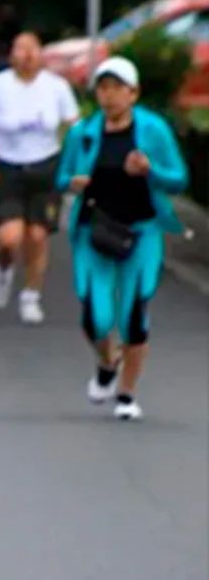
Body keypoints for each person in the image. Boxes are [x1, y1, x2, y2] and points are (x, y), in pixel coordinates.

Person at [56, 57, 191, 422]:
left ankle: (127, 394)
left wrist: (150, 170)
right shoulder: (83, 133)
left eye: (118, 88)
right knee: (96, 316)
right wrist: (73, 182)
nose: (110, 95)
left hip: (141, 229)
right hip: (95, 229)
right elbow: (62, 176)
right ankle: (106, 361)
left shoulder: (153, 130)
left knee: (133, 313)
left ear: (133, 93)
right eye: (103, 88)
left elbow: (179, 179)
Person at [0, 30, 79, 325]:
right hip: (8, 167)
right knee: (9, 238)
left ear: (41, 53)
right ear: (11, 55)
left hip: (46, 166)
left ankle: (31, 295)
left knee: (37, 235)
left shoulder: (56, 87)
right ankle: (3, 270)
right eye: (20, 49)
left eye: (32, 49)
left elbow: (73, 127)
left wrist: (74, 165)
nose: (27, 56)